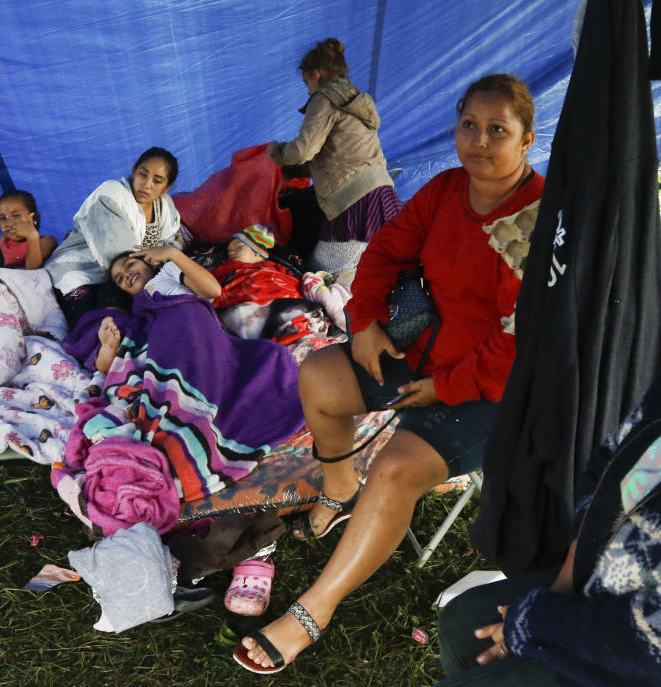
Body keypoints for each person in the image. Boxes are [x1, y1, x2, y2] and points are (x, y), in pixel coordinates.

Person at [235, 73, 544, 673]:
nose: (479, 141)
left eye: (498, 130)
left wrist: (445, 389)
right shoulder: (447, 187)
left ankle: (311, 613)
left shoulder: (535, 219)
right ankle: (340, 486)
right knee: (320, 377)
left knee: (399, 469)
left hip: (496, 389)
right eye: (469, 126)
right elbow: (385, 251)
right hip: (425, 353)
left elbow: (522, 339)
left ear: (527, 139)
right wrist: (368, 319)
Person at [437, 375, 661, 687]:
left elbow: (650, 642)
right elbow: (607, 463)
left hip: (631, 654)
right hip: (596, 582)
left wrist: (535, 621)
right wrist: (566, 579)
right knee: (460, 623)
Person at [267, 38, 401, 271]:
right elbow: (336, 155)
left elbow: (303, 150)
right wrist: (296, 170)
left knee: (320, 274)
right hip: (383, 195)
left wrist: (276, 152)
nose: (306, 87)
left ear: (316, 74)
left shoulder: (324, 98)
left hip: (355, 203)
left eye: (306, 79)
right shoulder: (358, 101)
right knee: (375, 271)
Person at [45, 147, 185, 325]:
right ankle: (94, 345)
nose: (147, 184)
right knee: (88, 316)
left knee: (123, 302)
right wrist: (169, 251)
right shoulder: (111, 194)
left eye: (157, 181)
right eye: (143, 174)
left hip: (125, 274)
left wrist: (172, 249)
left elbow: (169, 243)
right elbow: (120, 254)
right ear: (134, 171)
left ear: (167, 186)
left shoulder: (165, 207)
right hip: (78, 267)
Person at [96, 245, 221, 372]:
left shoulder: (167, 271)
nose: (126, 274)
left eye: (130, 264)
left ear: (150, 261)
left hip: (193, 328)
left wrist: (173, 254)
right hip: (163, 349)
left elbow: (213, 290)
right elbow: (107, 369)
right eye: (120, 278)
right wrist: (110, 346)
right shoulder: (137, 311)